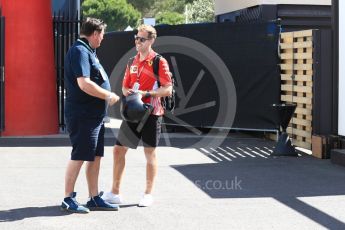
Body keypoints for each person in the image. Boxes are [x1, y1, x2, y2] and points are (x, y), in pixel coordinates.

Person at [102, 25, 172, 207]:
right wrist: (131, 92)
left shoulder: (159, 61)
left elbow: (168, 89)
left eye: (142, 39)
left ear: (151, 41)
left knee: (149, 153)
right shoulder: (131, 61)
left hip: (152, 113)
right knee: (118, 149)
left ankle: (148, 193)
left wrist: (145, 93)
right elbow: (125, 87)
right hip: (134, 113)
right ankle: (115, 192)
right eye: (136, 38)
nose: (137, 42)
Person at [61, 17, 120, 213]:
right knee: (79, 155)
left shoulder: (89, 51)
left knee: (95, 156)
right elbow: (84, 83)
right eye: (102, 35)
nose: (102, 39)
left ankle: (94, 198)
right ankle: (68, 198)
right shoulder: (79, 51)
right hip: (82, 114)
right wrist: (108, 95)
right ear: (94, 33)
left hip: (94, 115)